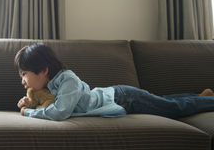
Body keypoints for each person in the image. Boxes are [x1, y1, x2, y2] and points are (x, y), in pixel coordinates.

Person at [15, 43, 214, 121]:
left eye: (24, 74)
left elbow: (59, 111)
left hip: (124, 98)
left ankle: (207, 102)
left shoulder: (68, 80)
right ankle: (200, 96)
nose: (23, 81)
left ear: (43, 70)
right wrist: (29, 102)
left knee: (173, 109)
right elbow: (49, 104)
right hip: (121, 97)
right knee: (162, 101)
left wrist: (29, 112)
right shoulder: (50, 86)